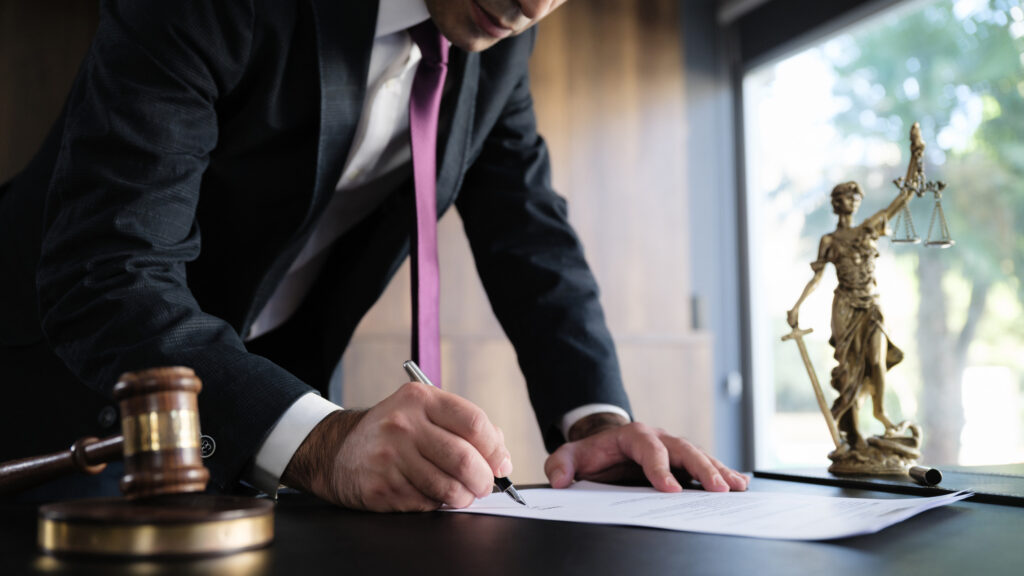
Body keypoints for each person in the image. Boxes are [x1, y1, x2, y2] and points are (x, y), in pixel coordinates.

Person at [0, 0, 747, 510]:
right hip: (63, 389)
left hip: (262, 398)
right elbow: (108, 272)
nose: (532, 2)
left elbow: (528, 230)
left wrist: (594, 422)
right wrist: (321, 441)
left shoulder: (501, 35)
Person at [786, 179, 912, 453]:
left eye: (856, 196)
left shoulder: (869, 228)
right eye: (845, 196)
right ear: (836, 203)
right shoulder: (829, 241)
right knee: (849, 370)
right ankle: (854, 435)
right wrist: (797, 306)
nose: (852, 200)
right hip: (844, 307)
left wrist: (916, 155)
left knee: (877, 361)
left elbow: (902, 200)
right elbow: (817, 278)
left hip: (871, 305)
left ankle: (880, 413)